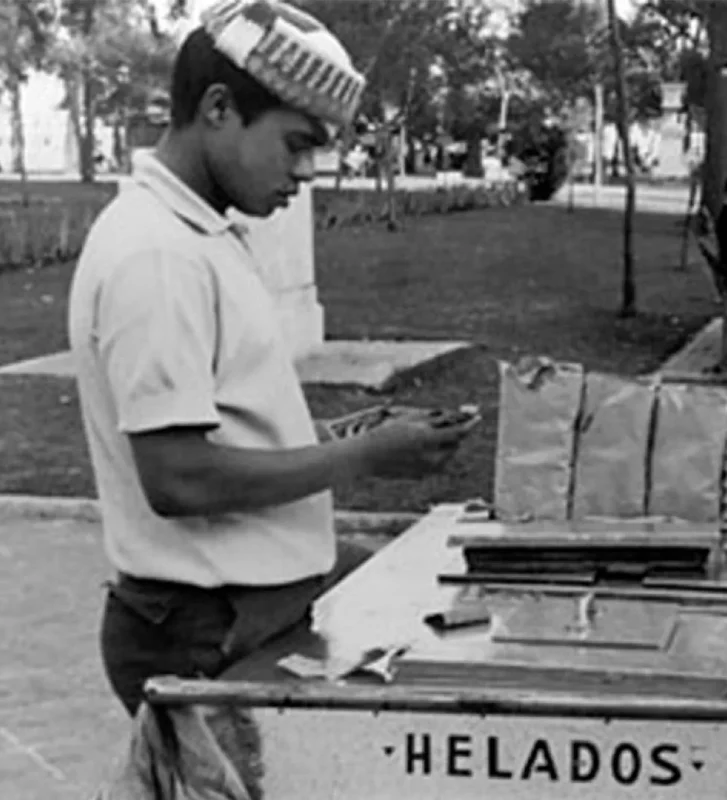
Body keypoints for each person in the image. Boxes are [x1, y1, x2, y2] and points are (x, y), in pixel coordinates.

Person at [67, 0, 479, 717]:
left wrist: (328, 439)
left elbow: (213, 429)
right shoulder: (157, 256)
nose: (308, 172)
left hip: (241, 611)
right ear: (219, 108)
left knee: (434, 595)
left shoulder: (196, 234)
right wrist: (371, 455)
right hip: (207, 633)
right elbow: (179, 477)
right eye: (295, 144)